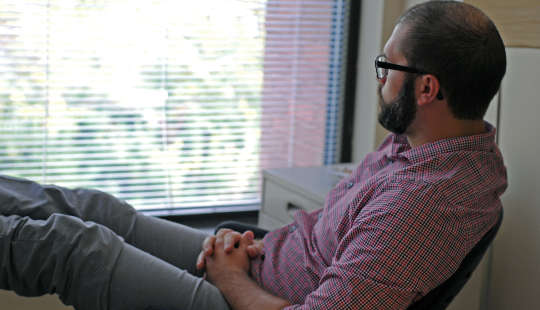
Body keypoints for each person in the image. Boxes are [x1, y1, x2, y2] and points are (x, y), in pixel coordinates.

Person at [0, 1, 507, 309]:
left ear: (426, 88)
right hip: (256, 267)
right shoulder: (427, 142)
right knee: (100, 212)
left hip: (245, 299)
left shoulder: (428, 206)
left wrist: (229, 276)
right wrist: (244, 245)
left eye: (386, 66)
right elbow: (323, 241)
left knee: (71, 248)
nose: (379, 79)